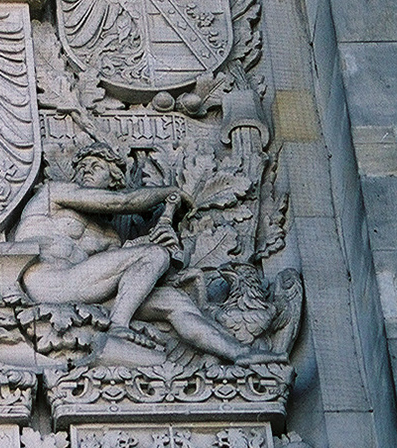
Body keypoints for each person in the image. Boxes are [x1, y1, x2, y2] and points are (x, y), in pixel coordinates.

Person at [17, 152, 269, 361]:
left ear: (114, 178)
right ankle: (117, 327)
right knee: (153, 255)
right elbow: (121, 203)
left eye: (97, 166)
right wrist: (166, 192)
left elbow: (129, 278)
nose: (86, 171)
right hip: (48, 282)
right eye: (82, 166)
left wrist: (156, 241)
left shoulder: (110, 236)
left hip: (85, 292)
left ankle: (240, 353)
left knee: (174, 300)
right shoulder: (53, 194)